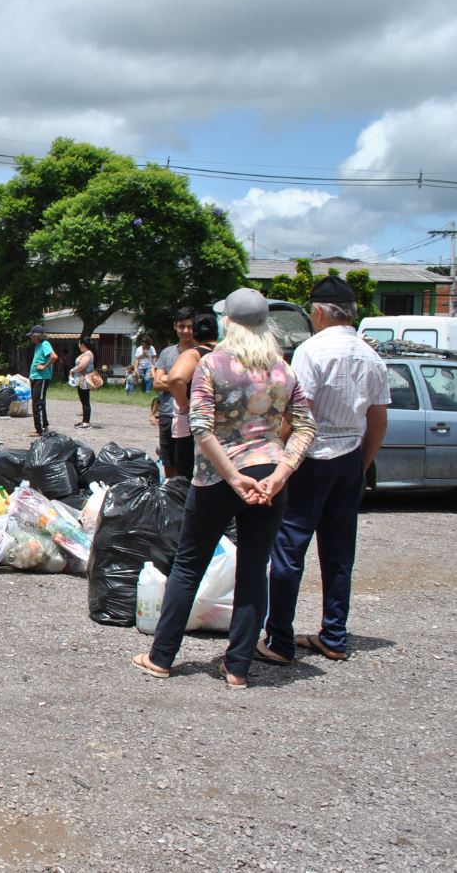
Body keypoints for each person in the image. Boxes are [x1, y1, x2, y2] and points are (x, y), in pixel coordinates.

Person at [132, 288, 316, 688]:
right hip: (268, 479)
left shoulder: (212, 364)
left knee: (188, 565)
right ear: (267, 323)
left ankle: (161, 657)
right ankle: (238, 668)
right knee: (254, 570)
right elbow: (305, 427)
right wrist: (279, 475)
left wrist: (233, 476)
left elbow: (199, 426)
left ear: (227, 322)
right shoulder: (282, 369)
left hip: (218, 477)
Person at [259, 275, 388, 665]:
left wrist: (280, 457)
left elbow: (300, 414)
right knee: (338, 553)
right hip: (351, 456)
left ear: (317, 312)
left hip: (310, 456)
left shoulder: (312, 351)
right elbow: (378, 420)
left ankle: (279, 640)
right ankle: (334, 635)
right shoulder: (371, 355)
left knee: (288, 548)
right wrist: (362, 464)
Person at [164, 313, 219, 479]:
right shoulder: (228, 353)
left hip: (195, 426)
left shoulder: (194, 354)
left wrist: (184, 404)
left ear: (194, 334)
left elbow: (175, 379)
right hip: (222, 423)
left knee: (188, 474)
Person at [152, 308, 198, 477]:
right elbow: (157, 383)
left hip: (193, 415)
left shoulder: (201, 353)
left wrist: (170, 380)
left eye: (190, 326)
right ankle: (171, 496)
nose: (186, 331)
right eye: (182, 326)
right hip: (167, 414)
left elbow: (199, 385)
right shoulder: (167, 353)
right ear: (175, 327)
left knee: (189, 462)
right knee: (168, 460)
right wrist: (183, 382)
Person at [27, 325, 57, 436]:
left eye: (31, 336)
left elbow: (54, 357)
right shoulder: (37, 346)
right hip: (36, 377)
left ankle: (39, 429)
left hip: (42, 377)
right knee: (39, 402)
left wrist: (44, 366)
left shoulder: (45, 344)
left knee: (37, 403)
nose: (30, 338)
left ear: (37, 336)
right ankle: (44, 425)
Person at [71, 336, 96, 429]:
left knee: (85, 401)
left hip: (84, 380)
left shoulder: (88, 353)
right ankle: (84, 420)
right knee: (83, 400)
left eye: (79, 343)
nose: (78, 346)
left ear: (82, 344)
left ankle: (86, 422)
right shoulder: (86, 353)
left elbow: (82, 366)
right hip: (81, 379)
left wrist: (73, 370)